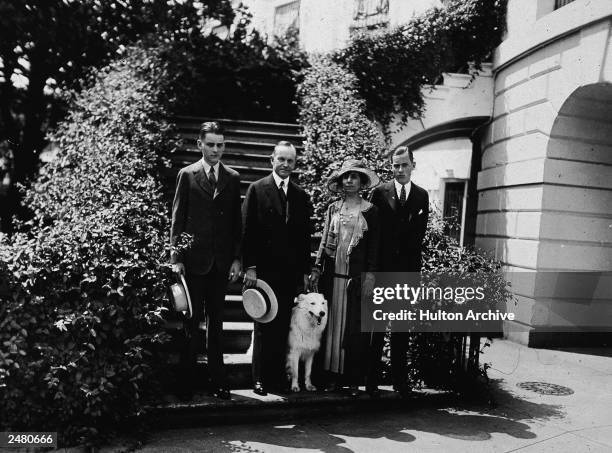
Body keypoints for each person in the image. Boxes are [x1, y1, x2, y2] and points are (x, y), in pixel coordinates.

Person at [170, 121, 242, 400]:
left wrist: (237, 258)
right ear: (200, 144)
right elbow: (177, 219)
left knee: (217, 322)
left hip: (221, 263)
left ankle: (218, 381)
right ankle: (186, 382)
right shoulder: (187, 175)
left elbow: (237, 222)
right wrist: (176, 257)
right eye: (210, 144)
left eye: (220, 144)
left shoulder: (233, 178)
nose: (215, 149)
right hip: (193, 261)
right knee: (191, 321)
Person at [242, 141, 313, 395]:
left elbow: (305, 237)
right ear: (271, 160)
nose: (285, 165)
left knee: (283, 325)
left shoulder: (301, 196)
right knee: (263, 326)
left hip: (289, 273)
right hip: (263, 272)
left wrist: (304, 272)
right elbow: (247, 230)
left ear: (295, 164)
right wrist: (249, 267)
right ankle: (259, 378)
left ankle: (277, 377)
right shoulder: (257, 189)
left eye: (290, 161)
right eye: (281, 159)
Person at [310, 159, 380, 397]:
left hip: (354, 280)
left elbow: (373, 249)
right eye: (345, 177)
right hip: (333, 277)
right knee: (330, 327)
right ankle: (328, 377)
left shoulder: (371, 211)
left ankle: (349, 379)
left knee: (351, 330)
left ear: (361, 182)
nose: (349, 181)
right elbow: (323, 242)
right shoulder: (333, 208)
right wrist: (317, 267)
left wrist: (369, 277)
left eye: (354, 176)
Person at [369, 146, 429, 397]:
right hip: (383, 271)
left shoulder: (421, 196)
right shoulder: (379, 193)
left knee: (402, 329)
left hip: (406, 273)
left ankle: (399, 381)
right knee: (377, 329)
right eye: (396, 165)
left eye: (405, 165)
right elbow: (372, 236)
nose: (400, 170)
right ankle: (370, 380)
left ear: (413, 165)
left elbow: (419, 237)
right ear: (391, 167)